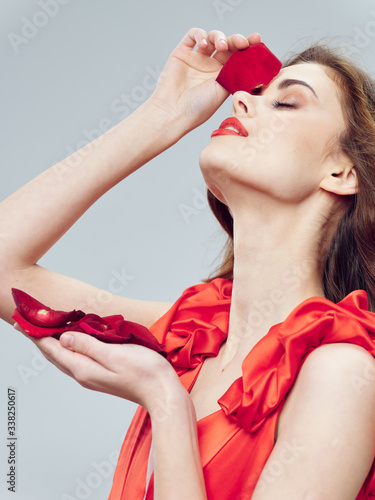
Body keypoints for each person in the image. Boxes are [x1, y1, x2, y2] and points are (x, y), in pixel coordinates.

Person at [2, 26, 375, 499]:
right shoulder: (189, 335)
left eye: (285, 102)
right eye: (253, 93)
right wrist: (160, 117)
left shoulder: (344, 374)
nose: (240, 101)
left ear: (342, 172)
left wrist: (165, 400)